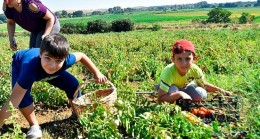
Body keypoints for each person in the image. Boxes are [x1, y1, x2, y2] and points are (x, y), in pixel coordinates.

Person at [0, 33, 108, 138]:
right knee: (22, 97)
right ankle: (34, 126)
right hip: (19, 64)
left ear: (65, 58)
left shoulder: (66, 61)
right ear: (40, 54)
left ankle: (77, 114)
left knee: (73, 84)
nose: (52, 65)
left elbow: (82, 56)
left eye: (58, 60)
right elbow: (13, 101)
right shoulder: (29, 69)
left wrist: (97, 73)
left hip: (45, 71)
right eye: (48, 58)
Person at [157, 39, 232, 103]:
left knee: (201, 95)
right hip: (168, 90)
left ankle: (184, 99)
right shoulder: (169, 71)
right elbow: (160, 98)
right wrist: (179, 94)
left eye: (188, 59)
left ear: (194, 59)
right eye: (179, 59)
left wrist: (222, 91)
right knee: (173, 90)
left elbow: (204, 85)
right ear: (173, 60)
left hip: (184, 87)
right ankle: (178, 101)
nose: (183, 63)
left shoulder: (195, 70)